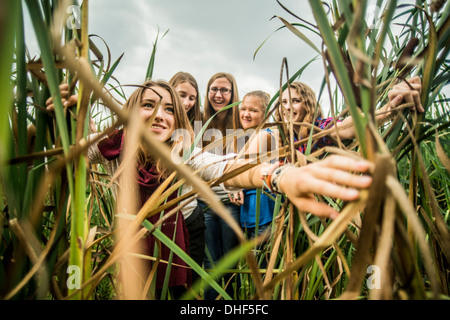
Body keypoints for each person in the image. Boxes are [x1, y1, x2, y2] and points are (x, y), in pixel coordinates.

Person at [275, 78, 424, 154]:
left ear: (308, 105)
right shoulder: (280, 137)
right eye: (283, 102)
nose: (287, 107)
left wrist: (388, 109)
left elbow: (347, 127)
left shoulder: (319, 128)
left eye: (295, 101)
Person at [199, 72, 243, 300]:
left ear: (233, 93)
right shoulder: (198, 122)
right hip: (204, 203)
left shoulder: (241, 123)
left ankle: (231, 302)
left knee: (230, 261)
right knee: (210, 263)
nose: (218, 94)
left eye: (225, 90)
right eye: (214, 89)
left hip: (230, 203)